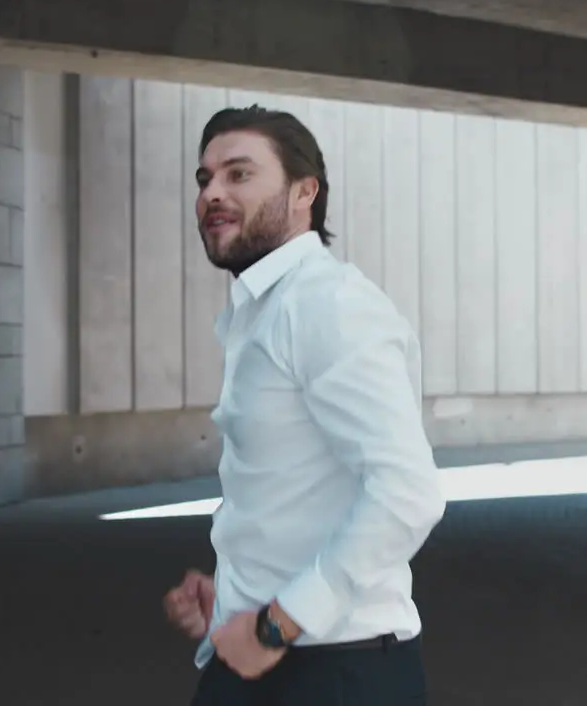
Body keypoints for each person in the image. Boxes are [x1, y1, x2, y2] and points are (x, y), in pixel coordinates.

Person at [161, 105, 447, 705]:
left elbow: (406, 493)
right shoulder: (262, 309)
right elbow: (291, 492)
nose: (212, 192)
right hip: (263, 655)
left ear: (304, 192)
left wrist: (277, 623)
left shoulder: (328, 306)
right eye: (204, 178)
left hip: (336, 672)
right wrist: (239, 595)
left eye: (239, 174)